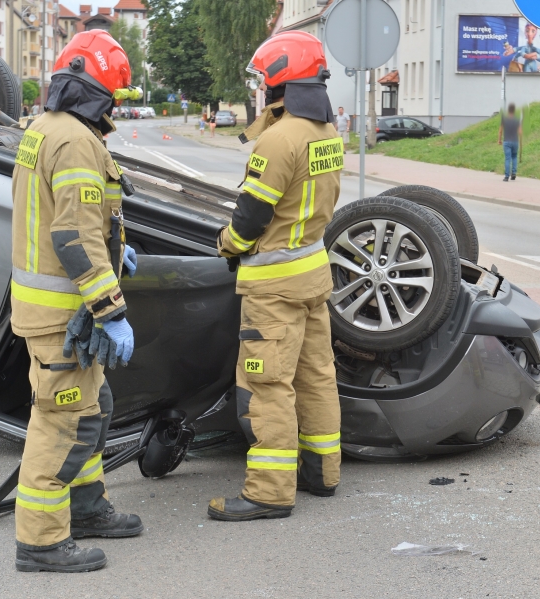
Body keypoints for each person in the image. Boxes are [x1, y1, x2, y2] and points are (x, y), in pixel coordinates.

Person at [9, 30, 145, 572]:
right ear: (100, 91)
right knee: (65, 423)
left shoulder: (46, 128)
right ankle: (41, 542)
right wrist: (110, 309)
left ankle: (85, 509)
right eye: (115, 95)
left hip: (56, 305)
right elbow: (73, 237)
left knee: (96, 408)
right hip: (63, 310)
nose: (114, 106)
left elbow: (73, 223)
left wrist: (118, 255)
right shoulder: (75, 141)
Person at [208, 30, 342, 521]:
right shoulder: (327, 132)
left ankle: (268, 492)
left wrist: (226, 245)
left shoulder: (278, 138)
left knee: (268, 385)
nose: (261, 86)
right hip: (311, 275)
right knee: (316, 377)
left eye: (264, 78)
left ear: (280, 79)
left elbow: (250, 217)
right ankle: (322, 473)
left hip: (274, 286)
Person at [498, 103, 521, 181]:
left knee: (508, 158)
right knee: (514, 157)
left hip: (507, 141)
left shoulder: (504, 119)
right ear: (514, 111)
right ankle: (513, 173)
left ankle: (506, 176)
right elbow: (520, 132)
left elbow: (500, 131)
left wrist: (499, 140)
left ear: (508, 110)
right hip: (515, 141)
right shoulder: (517, 120)